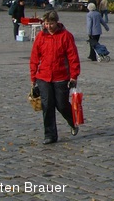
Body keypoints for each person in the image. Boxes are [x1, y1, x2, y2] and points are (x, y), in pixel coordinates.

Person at [29, 10, 81, 145]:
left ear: (56, 22)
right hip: (44, 76)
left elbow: (73, 57)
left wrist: (74, 76)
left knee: (62, 105)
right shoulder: (41, 37)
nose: (48, 26)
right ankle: (50, 135)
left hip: (61, 76)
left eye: (51, 23)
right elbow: (35, 57)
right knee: (47, 106)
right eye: (46, 24)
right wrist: (33, 76)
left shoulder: (66, 36)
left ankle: (72, 121)